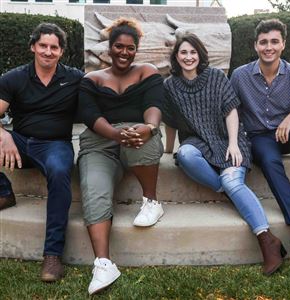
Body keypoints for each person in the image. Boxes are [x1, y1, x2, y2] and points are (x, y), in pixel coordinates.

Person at [162, 33, 286, 276]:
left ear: (200, 54)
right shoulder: (170, 86)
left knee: (232, 180)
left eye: (193, 52)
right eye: (183, 52)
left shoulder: (216, 77)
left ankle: (267, 239)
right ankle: (228, 191)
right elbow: (170, 121)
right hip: (199, 142)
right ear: (176, 57)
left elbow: (231, 111)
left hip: (228, 138)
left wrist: (234, 144)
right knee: (185, 154)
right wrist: (168, 149)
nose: (189, 57)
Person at [77, 18, 164, 295]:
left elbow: (154, 105)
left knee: (139, 138)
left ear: (136, 50)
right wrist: (116, 135)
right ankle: (104, 263)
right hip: (99, 142)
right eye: (118, 46)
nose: (124, 52)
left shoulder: (147, 72)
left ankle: (152, 201)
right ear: (109, 48)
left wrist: (149, 128)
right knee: (93, 187)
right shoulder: (92, 79)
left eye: (130, 48)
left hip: (138, 136)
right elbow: (90, 116)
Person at [0, 23, 83, 281]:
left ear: (61, 52)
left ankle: (52, 255)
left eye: (54, 47)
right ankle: (4, 192)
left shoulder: (75, 78)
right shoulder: (13, 78)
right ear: (33, 46)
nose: (48, 51)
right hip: (20, 144)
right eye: (43, 46)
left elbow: (102, 99)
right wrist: (3, 135)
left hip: (55, 145)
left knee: (59, 171)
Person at [230, 19, 290, 252]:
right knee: (270, 161)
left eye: (274, 42)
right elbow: (230, 110)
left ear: (283, 45)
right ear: (255, 46)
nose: (268, 47)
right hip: (259, 138)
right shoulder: (240, 76)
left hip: (288, 132)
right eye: (263, 42)